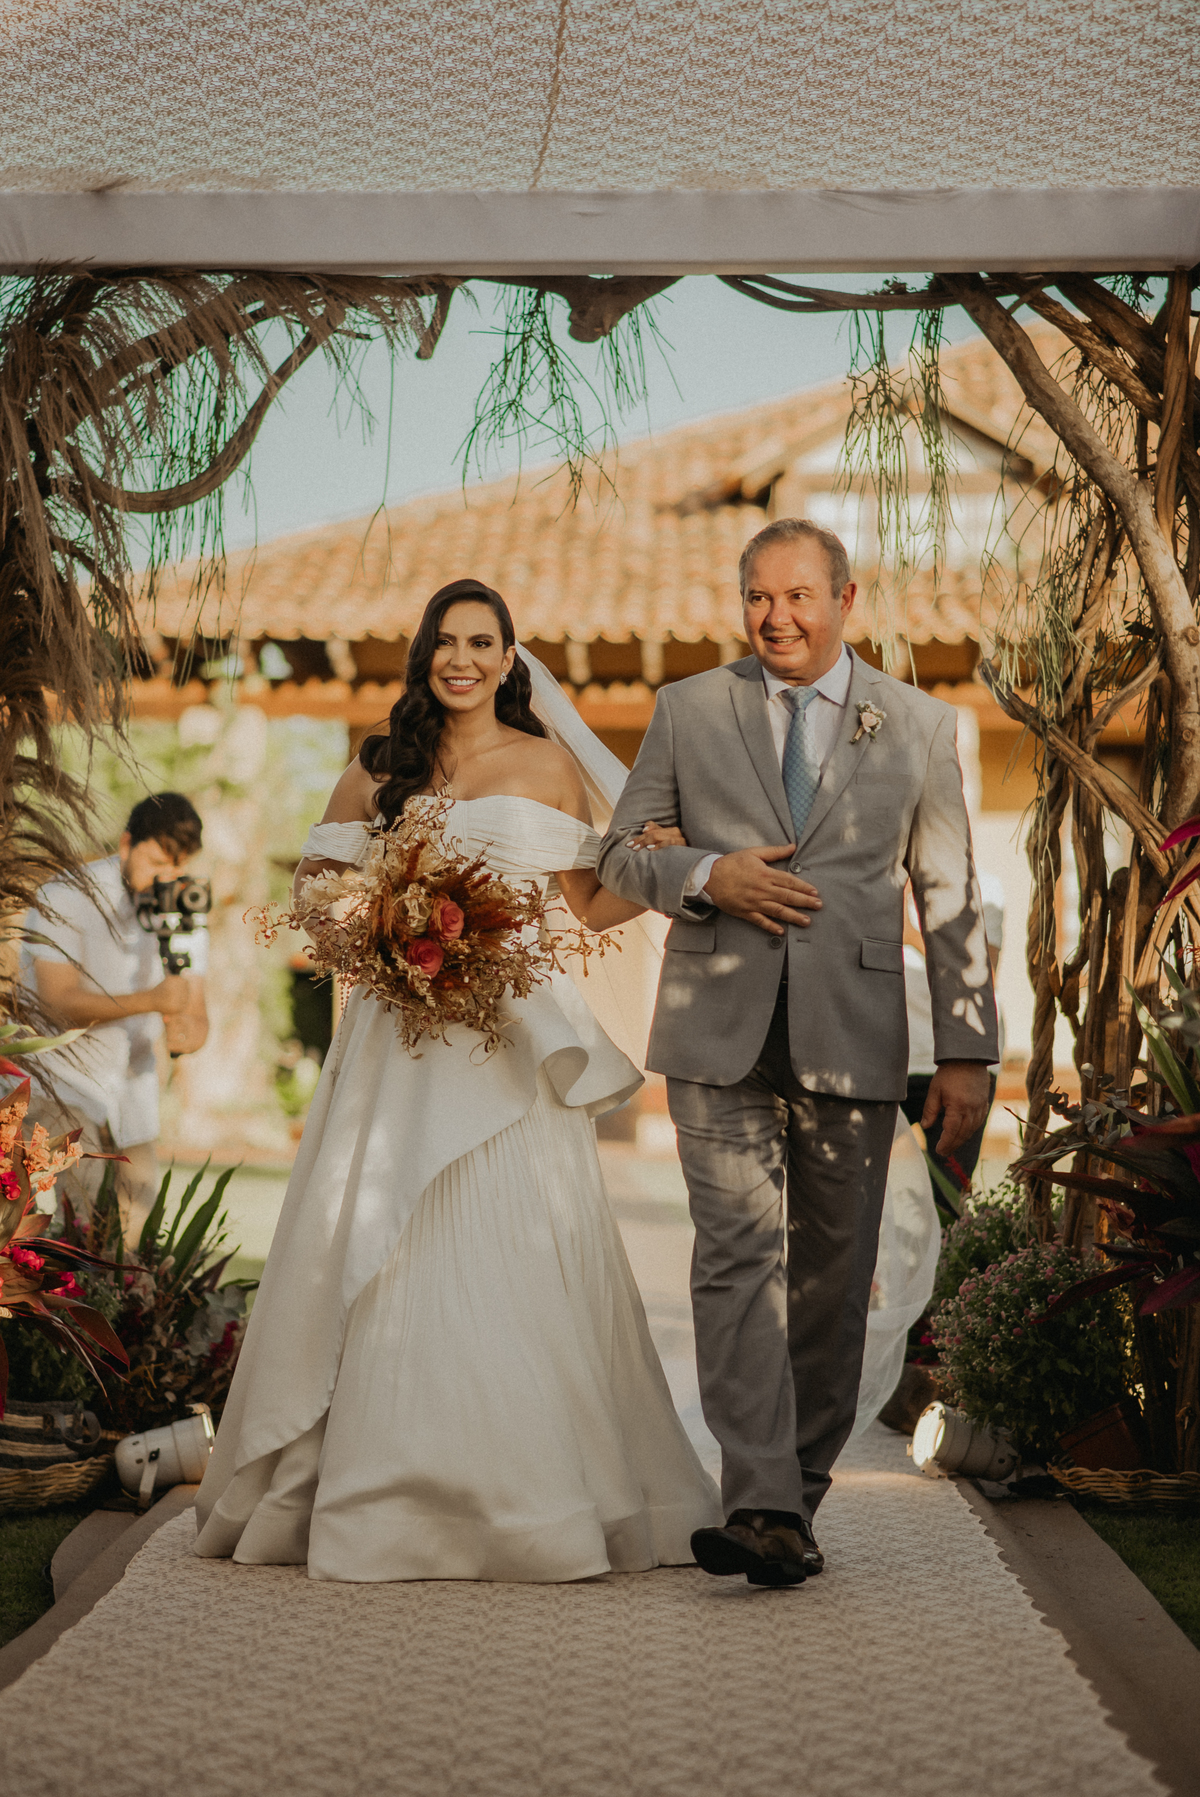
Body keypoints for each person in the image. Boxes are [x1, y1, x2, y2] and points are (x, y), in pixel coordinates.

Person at [194, 578, 721, 1582]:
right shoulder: (378, 765)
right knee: (385, 1244)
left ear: (510, 658)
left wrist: (656, 863)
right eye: (447, 640)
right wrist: (375, 923)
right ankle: (375, 1492)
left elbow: (589, 907)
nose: (463, 659)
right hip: (396, 1047)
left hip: (510, 1041)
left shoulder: (550, 765)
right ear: (424, 654)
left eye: (483, 642)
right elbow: (314, 891)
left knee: (518, 1246)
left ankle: (534, 1497)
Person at [597, 517, 998, 1588]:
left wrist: (968, 1049)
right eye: (757, 598)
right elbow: (619, 855)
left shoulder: (918, 726)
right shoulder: (688, 709)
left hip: (855, 1033)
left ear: (845, 600)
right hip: (714, 1028)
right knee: (735, 1258)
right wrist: (706, 874)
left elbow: (950, 896)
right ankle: (761, 1502)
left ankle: (795, 1497)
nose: (775, 618)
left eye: (798, 597)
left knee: (833, 1276)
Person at [23, 792, 208, 1236]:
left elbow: (198, 1018)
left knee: (136, 1235)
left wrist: (189, 1033)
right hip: (61, 1088)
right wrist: (153, 1001)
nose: (166, 878)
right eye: (157, 863)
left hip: (131, 1099)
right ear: (126, 844)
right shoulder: (65, 896)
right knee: (80, 1229)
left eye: (177, 867)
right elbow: (58, 1003)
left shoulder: (184, 904)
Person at [902, 872, 1006, 1189]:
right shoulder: (873, 877)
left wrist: (910, 934)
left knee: (949, 1191)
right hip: (885, 1059)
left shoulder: (981, 884)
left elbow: (984, 973)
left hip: (957, 1060)